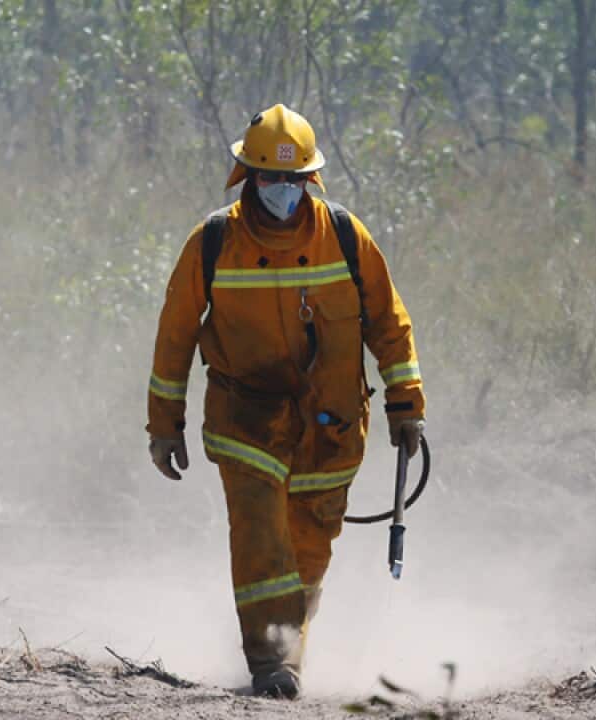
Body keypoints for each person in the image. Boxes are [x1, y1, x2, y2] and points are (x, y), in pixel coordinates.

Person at [145, 104, 426, 699]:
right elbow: (174, 336)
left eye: (293, 180)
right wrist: (163, 425)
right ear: (247, 176)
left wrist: (407, 402)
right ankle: (272, 661)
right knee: (257, 532)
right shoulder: (214, 241)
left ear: (311, 180)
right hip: (244, 417)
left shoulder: (346, 237)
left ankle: (289, 642)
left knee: (308, 543)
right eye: (270, 179)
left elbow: (390, 324)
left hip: (332, 421)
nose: (282, 191)